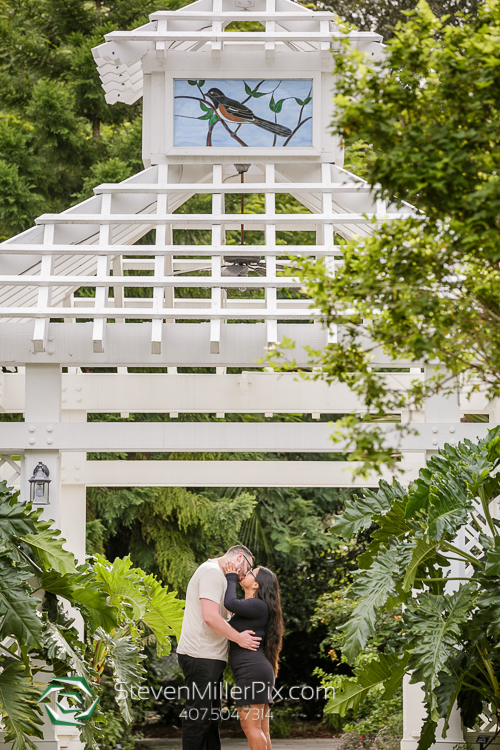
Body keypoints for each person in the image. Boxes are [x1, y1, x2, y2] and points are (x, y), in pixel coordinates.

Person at [177, 545, 261, 750]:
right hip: (200, 656)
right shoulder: (212, 573)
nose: (245, 574)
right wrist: (239, 638)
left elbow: (223, 616)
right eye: (247, 568)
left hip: (210, 657)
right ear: (239, 557)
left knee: (211, 719)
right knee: (199, 719)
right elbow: (210, 617)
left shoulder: (219, 576)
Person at [221, 559, 284, 750]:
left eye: (250, 573)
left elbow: (230, 602)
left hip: (252, 672)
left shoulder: (258, 605)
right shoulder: (254, 608)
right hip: (257, 671)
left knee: (251, 728)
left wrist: (231, 578)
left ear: (256, 584)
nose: (245, 574)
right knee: (261, 730)